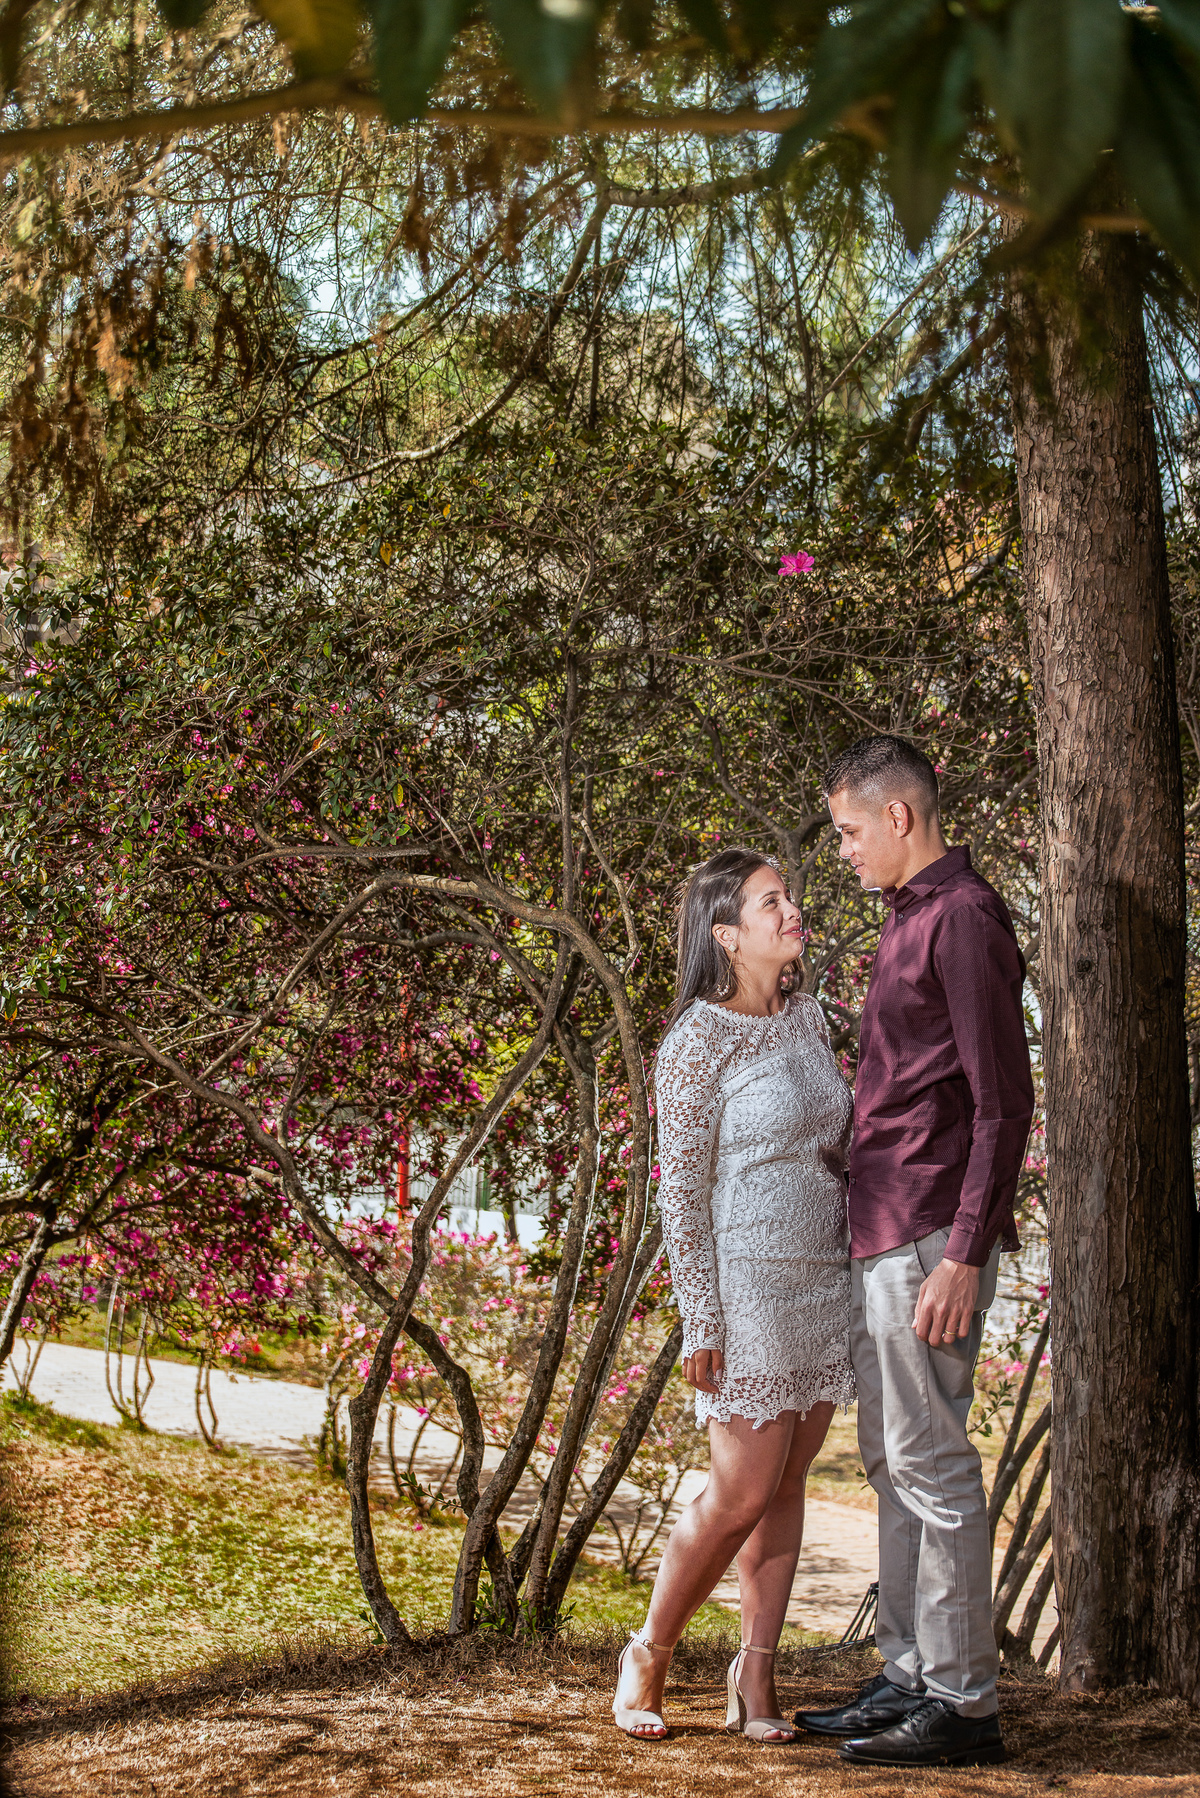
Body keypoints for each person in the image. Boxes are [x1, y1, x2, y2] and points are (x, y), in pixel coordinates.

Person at [795, 735, 1034, 1769]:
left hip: (934, 1232)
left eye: (849, 829)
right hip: (885, 1222)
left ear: (899, 815)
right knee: (894, 1461)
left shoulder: (967, 920)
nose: (842, 850)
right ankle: (909, 1674)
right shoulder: (910, 920)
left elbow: (1003, 1102)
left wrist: (965, 1252)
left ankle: (965, 1703)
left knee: (933, 1463)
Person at [611, 847, 855, 1744]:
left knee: (789, 1483)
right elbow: (680, 1191)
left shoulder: (809, 1019)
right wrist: (699, 1316)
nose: (791, 909)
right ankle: (649, 1653)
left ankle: (756, 1681)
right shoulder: (694, 1042)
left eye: (787, 895)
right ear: (727, 934)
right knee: (739, 1492)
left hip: (825, 1282)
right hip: (746, 1291)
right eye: (770, 901)